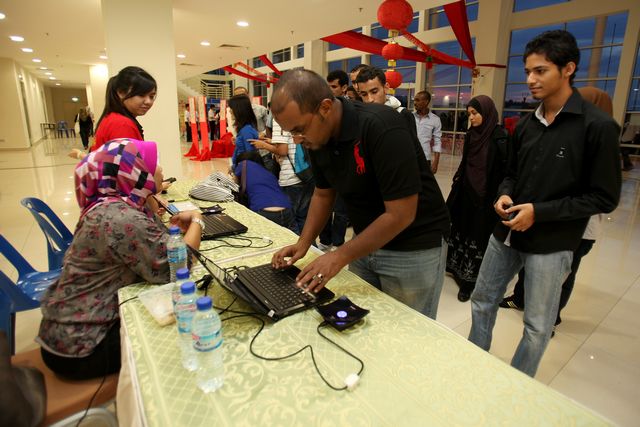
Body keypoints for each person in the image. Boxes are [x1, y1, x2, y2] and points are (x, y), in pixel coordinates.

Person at [468, 30, 621, 377]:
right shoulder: (526, 124)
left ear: (568, 69)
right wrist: (504, 193)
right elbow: (511, 173)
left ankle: (518, 385)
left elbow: (605, 197)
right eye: (528, 71)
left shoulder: (597, 127)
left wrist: (540, 212)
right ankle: (473, 366)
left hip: (552, 243)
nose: (530, 79)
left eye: (540, 71)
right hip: (506, 234)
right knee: (482, 300)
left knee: (537, 325)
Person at [270, 69, 450, 320]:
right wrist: (303, 243)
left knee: (407, 330)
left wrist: (339, 256)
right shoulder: (316, 139)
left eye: (299, 129)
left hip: (413, 247)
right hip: (366, 243)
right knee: (362, 325)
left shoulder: (381, 125)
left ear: (325, 108)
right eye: (291, 132)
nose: (297, 140)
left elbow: (401, 214)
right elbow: (323, 194)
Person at [37, 139, 204, 380]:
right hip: (81, 346)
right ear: (132, 173)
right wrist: (198, 220)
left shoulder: (110, 206)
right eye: (152, 163)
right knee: (182, 333)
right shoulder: (122, 218)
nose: (160, 169)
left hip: (68, 330)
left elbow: (158, 244)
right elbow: (177, 267)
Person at [499, 86, 615, 336]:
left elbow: (602, 197)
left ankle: (552, 316)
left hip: (578, 228)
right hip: (545, 220)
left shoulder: (599, 136)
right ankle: (520, 298)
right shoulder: (553, 132)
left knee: (563, 276)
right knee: (529, 265)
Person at [446, 95, 509, 302]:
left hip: (486, 197)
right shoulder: (471, 135)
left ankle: (469, 281)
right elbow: (466, 162)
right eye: (468, 114)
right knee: (461, 230)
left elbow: (506, 171)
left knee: (478, 236)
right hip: (466, 192)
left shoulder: (500, 137)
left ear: (487, 113)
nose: (471, 118)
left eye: (474, 113)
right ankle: (455, 268)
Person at [93, 67, 157, 152]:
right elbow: (128, 160)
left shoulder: (113, 118)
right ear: (121, 92)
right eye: (141, 95)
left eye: (151, 96)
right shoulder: (122, 124)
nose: (148, 101)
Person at [234, 151, 297, 232]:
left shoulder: (244, 164)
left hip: (263, 209)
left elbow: (234, 185)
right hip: (286, 209)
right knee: (293, 237)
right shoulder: (267, 172)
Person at [413, 91, 442, 174]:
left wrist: (436, 163)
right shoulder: (410, 117)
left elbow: (437, 142)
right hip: (410, 158)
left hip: (425, 159)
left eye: (417, 100)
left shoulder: (435, 120)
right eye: (414, 100)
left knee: (424, 182)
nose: (415, 103)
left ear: (426, 102)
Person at [228, 94, 259, 167]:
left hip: (244, 168)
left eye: (231, 108)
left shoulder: (246, 130)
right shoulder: (244, 129)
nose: (229, 110)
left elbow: (250, 157)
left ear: (239, 109)